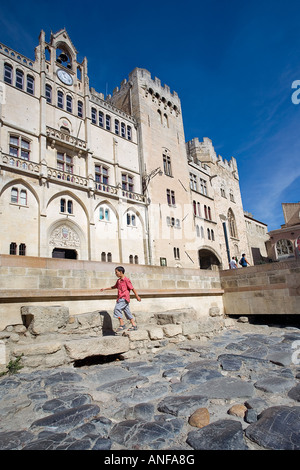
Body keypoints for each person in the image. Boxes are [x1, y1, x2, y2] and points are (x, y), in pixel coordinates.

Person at [100, 266, 141, 332]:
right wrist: (105, 288)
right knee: (127, 312)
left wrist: (137, 296)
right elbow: (114, 287)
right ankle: (134, 325)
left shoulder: (126, 280)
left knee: (117, 309)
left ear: (121, 272)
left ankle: (122, 324)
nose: (115, 274)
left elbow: (132, 288)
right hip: (120, 298)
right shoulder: (118, 281)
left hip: (124, 298)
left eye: (116, 272)